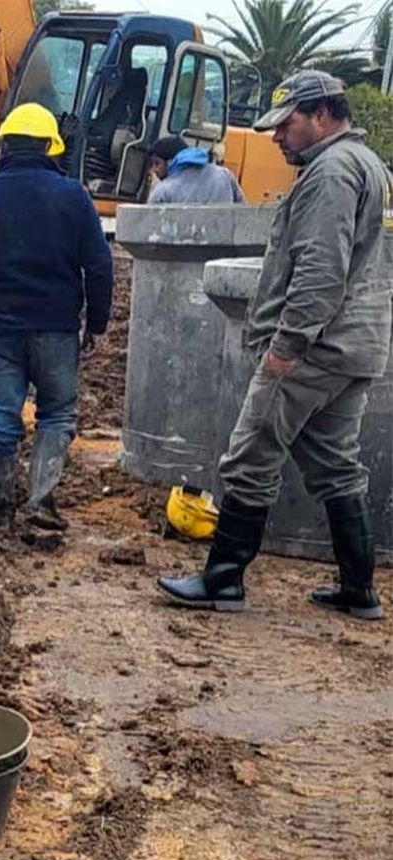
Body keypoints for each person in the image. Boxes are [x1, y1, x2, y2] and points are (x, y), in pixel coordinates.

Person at [158, 70, 393, 620]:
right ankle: (359, 590)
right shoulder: (370, 167)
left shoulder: (331, 173)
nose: (276, 137)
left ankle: (223, 580)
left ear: (320, 115)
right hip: (356, 343)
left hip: (315, 348)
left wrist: (287, 345)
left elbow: (320, 268)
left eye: (285, 125)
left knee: (250, 454)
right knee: (336, 463)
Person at [0, 102, 113, 532]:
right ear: (51, 148)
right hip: (56, 328)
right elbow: (100, 266)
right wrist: (97, 324)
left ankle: (0, 512)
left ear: (6, 147)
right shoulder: (74, 197)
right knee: (56, 415)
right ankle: (40, 502)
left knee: (0, 419)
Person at [146, 136, 245, 204]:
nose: (154, 170)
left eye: (157, 163)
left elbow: (150, 227)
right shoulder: (224, 175)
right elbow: (243, 210)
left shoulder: (163, 191)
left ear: (171, 161)